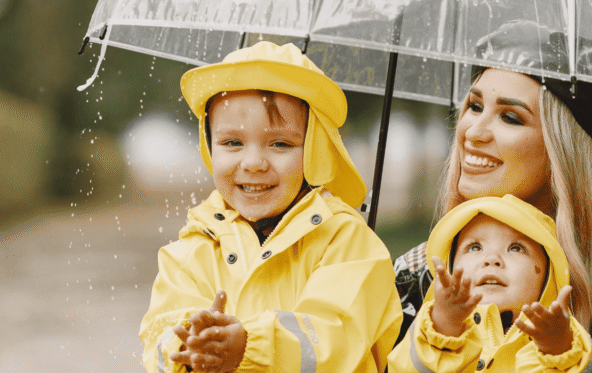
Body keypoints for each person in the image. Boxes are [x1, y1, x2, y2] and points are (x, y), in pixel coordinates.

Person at [393, 21, 592, 372]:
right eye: (474, 107)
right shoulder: (413, 277)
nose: (473, 132)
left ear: (563, 149)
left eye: (510, 117)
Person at [139, 41, 402, 373]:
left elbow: (335, 336)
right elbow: (158, 340)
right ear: (209, 147)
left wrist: (250, 346)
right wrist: (189, 348)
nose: (253, 163)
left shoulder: (348, 243)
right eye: (232, 142)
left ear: (313, 151)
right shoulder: (189, 253)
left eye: (280, 144)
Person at [389, 195, 592, 372]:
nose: (491, 259)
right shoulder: (430, 332)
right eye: (474, 247)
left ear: (548, 274)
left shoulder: (567, 340)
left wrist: (558, 351)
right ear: (450, 265)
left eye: (516, 248)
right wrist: (444, 326)